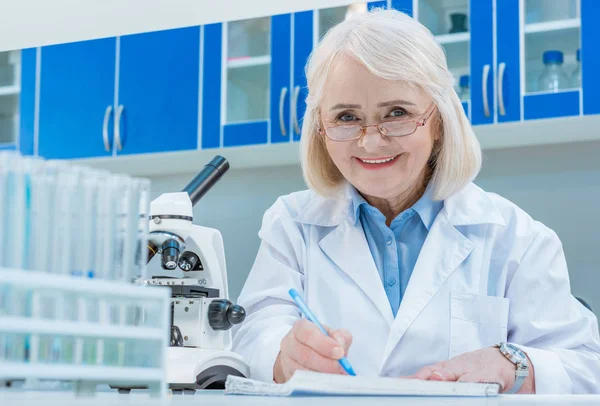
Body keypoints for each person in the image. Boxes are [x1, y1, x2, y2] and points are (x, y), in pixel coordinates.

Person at [231, 9, 600, 394]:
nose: (371, 141)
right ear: (320, 128)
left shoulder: (517, 238)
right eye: (346, 116)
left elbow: (585, 368)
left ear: (438, 121)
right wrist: (282, 356)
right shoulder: (290, 225)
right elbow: (252, 335)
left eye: (397, 113)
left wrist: (513, 365)